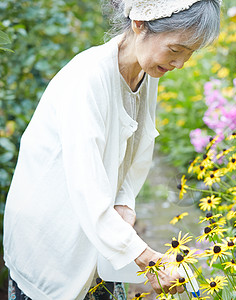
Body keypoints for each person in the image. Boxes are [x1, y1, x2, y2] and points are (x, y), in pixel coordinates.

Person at [3, 0, 221, 299]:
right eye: (175, 50)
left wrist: (124, 202)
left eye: (189, 54)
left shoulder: (145, 70)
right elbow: (85, 186)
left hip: (99, 233)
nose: (180, 63)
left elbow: (139, 147)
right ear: (140, 24)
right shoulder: (86, 80)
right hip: (52, 234)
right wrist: (149, 260)